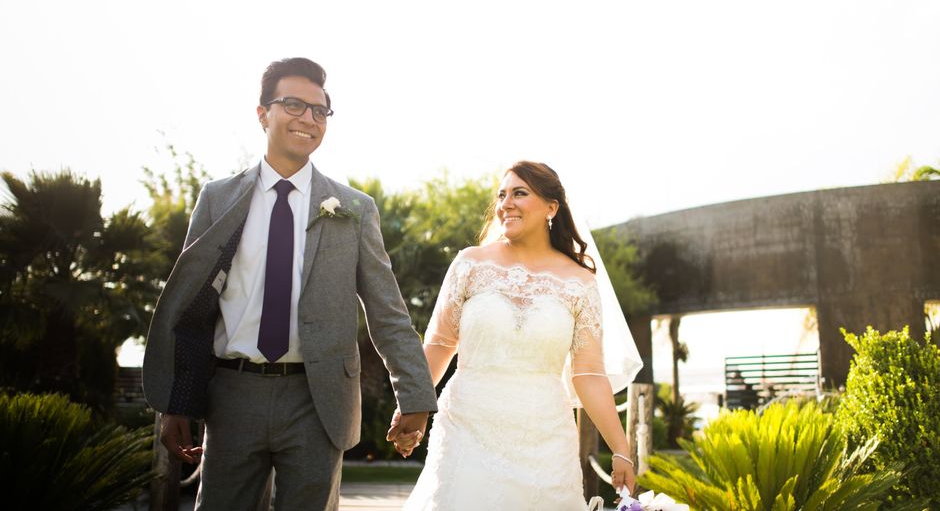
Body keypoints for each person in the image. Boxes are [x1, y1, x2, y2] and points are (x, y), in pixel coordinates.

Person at [142, 57, 437, 510]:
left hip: (318, 400)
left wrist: (415, 394)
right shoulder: (216, 199)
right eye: (294, 104)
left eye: (320, 111)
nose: (309, 119)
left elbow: (387, 311)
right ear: (263, 113)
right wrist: (176, 402)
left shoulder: (354, 209)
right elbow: (191, 309)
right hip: (232, 394)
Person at [395, 161, 639, 510]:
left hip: (545, 439)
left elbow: (588, 373)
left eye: (519, 193)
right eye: (501, 195)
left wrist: (621, 449)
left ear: (551, 208)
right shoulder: (470, 264)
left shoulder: (579, 282)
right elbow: (439, 343)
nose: (505, 203)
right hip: (467, 428)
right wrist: (413, 402)